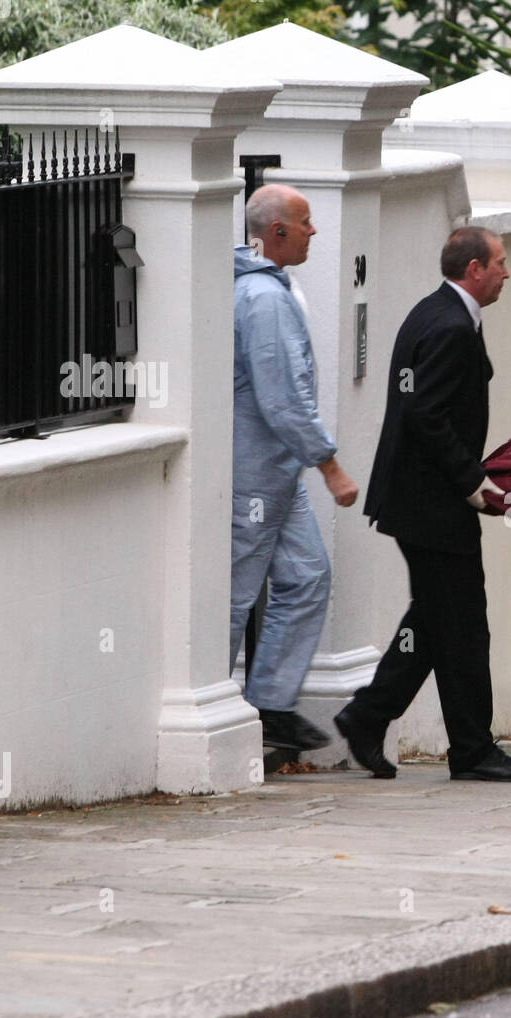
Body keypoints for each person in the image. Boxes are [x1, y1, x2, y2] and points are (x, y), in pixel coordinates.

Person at [333, 226, 511, 783]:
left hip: (420, 502)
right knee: (465, 625)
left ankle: (367, 717)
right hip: (431, 506)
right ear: (474, 269)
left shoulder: (435, 311)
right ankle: (472, 751)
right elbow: (428, 417)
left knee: (436, 623)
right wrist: (476, 484)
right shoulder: (450, 326)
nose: (506, 271)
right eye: (499, 263)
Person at [231, 184, 360, 752]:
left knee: (307, 577)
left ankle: (270, 706)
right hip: (252, 476)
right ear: (277, 232)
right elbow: (281, 398)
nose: (315, 232)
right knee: (233, 598)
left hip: (275, 475)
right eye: (305, 223)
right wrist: (330, 466)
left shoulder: (270, 290)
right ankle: (215, 713)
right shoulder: (263, 299)